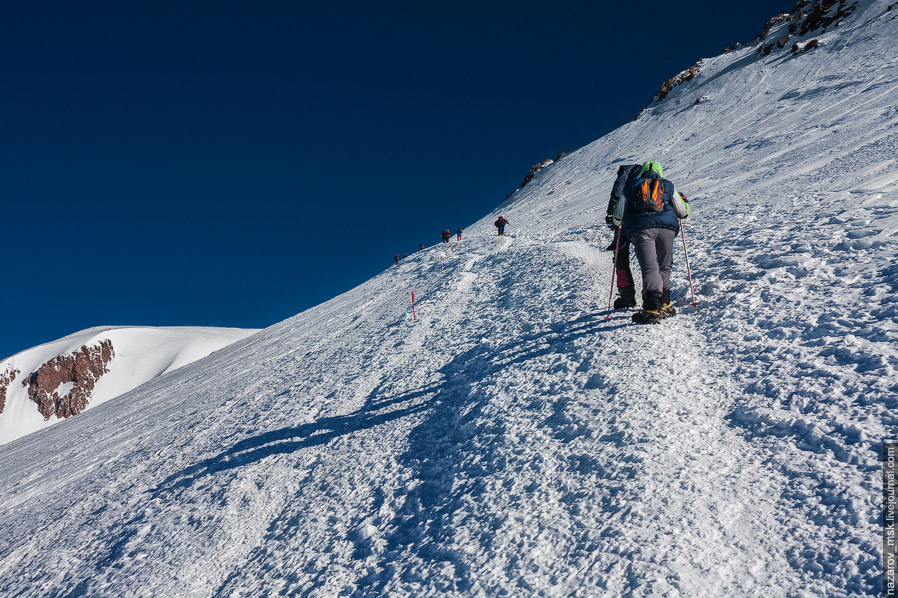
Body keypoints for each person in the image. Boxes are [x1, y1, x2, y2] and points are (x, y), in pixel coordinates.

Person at [611, 161, 690, 324]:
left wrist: (618, 221)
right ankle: (665, 303)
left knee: (650, 267)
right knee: (664, 266)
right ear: (660, 172)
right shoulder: (667, 185)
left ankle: (652, 307)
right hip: (667, 230)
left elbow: (618, 217)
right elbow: (683, 212)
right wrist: (684, 201)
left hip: (642, 229)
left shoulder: (632, 185)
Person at [606, 164, 642, 309]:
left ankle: (627, 297)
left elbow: (618, 191)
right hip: (643, 219)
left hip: (624, 219)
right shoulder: (649, 175)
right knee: (648, 258)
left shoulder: (626, 172)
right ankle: (654, 295)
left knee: (620, 255)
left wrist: (611, 213)